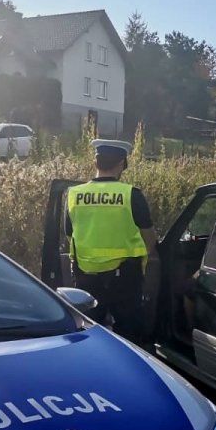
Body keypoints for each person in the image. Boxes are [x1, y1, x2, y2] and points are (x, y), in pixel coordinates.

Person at [66, 139, 158, 342]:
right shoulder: (131, 195)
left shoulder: (74, 194)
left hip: (85, 276)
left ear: (95, 163)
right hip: (125, 276)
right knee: (129, 332)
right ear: (122, 164)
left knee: (89, 331)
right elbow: (149, 238)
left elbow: (69, 233)